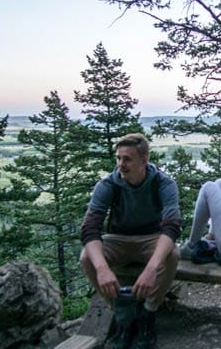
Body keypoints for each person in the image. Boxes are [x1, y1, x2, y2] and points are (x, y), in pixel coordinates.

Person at [80, 133, 181, 349]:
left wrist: (152, 268)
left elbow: (171, 227)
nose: (120, 165)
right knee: (86, 257)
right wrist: (102, 269)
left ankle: (147, 314)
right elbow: (90, 228)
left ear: (144, 160)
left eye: (127, 159)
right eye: (118, 158)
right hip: (117, 238)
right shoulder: (108, 184)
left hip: (151, 238)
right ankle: (121, 313)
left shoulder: (163, 183)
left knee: (172, 255)